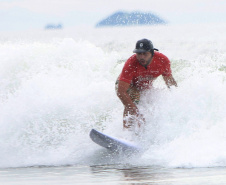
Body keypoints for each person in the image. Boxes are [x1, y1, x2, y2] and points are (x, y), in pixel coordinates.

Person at [116, 38, 177, 129]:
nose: (141, 57)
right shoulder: (131, 63)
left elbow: (170, 82)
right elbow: (121, 92)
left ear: (152, 53)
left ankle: (144, 132)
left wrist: (177, 99)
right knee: (134, 97)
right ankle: (126, 133)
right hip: (127, 86)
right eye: (139, 54)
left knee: (152, 103)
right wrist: (134, 111)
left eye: (145, 54)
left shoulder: (163, 61)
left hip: (144, 87)